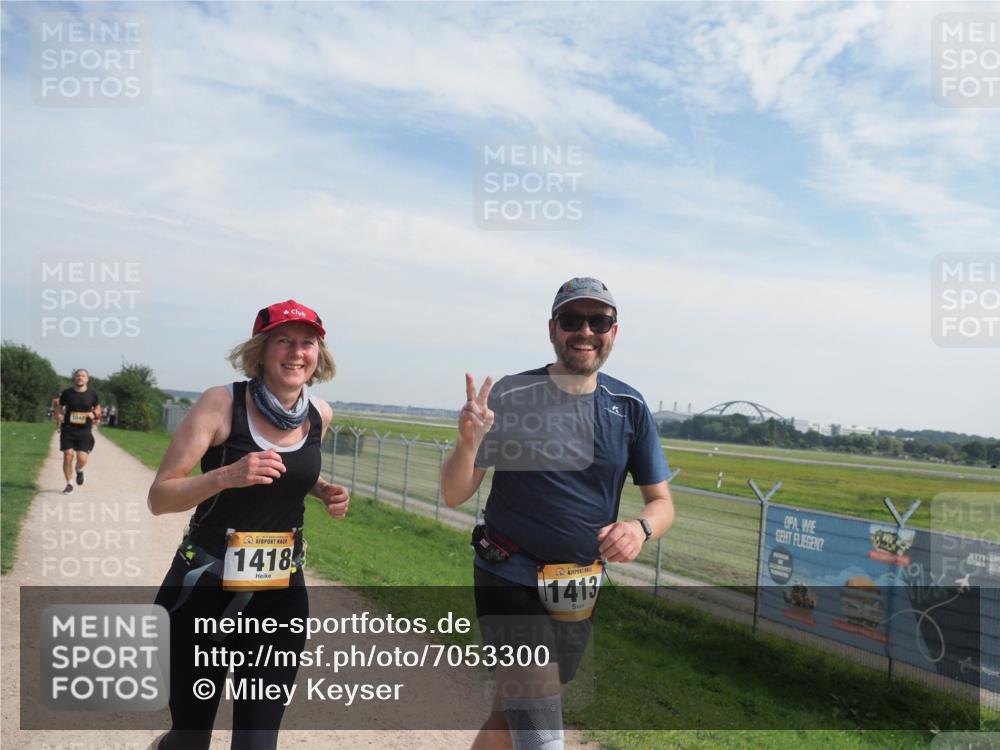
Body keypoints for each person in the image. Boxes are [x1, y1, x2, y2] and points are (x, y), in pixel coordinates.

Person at [441, 277, 675, 750]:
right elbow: (454, 494)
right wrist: (468, 444)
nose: (585, 331)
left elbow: (663, 503)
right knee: (541, 727)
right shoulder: (512, 395)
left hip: (578, 586)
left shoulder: (628, 407)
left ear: (614, 331)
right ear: (552, 329)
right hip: (508, 573)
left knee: (511, 716)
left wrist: (639, 527)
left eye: (599, 320)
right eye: (572, 320)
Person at [148, 299, 350, 750]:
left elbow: (291, 471)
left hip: (280, 596)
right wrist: (227, 475)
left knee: (258, 741)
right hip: (203, 589)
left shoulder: (320, 414)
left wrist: (323, 489)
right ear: (260, 350)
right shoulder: (221, 403)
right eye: (284, 340)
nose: (297, 352)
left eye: (308, 343)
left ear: (319, 354)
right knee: (191, 738)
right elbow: (160, 496)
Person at [56, 368, 101, 494]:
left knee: (82, 459)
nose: (80, 377)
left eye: (83, 376)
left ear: (87, 379)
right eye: (77, 375)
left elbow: (97, 408)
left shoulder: (92, 394)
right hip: (68, 429)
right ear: (74, 378)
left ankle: (79, 470)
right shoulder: (67, 393)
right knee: (68, 455)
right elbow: (59, 407)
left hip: (84, 430)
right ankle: (69, 484)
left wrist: (94, 414)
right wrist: (59, 415)